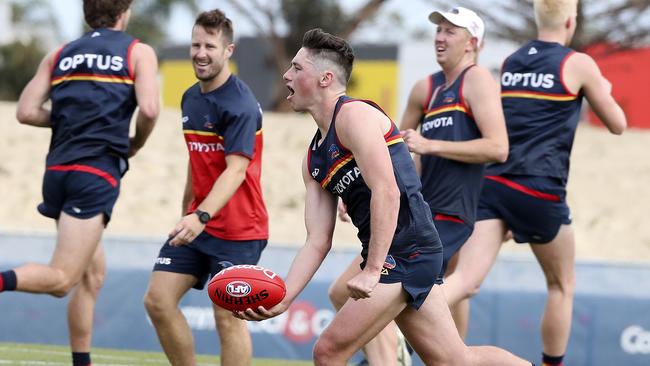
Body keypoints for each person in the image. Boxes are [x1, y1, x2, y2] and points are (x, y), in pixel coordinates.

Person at [236, 28, 531, 366]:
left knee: (327, 351)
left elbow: (387, 191)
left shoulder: (354, 116)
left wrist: (373, 269)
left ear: (325, 78)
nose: (286, 75)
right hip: (405, 254)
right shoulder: (313, 158)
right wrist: (285, 298)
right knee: (455, 360)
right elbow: (317, 239)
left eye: (297, 68)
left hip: (407, 251)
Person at [441, 1, 627, 365]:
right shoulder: (578, 63)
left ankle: (396, 325)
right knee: (561, 285)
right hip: (539, 189)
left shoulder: (512, 61)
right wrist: (599, 84)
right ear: (571, 21)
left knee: (464, 280)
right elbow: (617, 123)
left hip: (493, 184)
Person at [327, 7, 507, 363]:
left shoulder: (477, 80)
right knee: (455, 353)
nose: (439, 37)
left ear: (472, 43)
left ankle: (391, 358)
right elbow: (390, 147)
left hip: (449, 217)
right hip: (417, 215)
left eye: (450, 32)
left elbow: (498, 147)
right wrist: (360, 186)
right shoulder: (425, 88)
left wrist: (430, 144)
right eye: (438, 30)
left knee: (344, 293)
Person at [0, 1, 159, 365]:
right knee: (61, 280)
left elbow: (25, 111)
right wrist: (136, 142)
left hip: (57, 173)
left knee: (93, 274)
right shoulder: (138, 51)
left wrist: (71, 119)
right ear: (125, 12)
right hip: (94, 174)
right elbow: (149, 109)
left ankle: (81, 361)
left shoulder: (61, 53)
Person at [142, 9, 268, 366]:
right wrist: (188, 210)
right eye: (196, 44)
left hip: (240, 229)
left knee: (227, 316)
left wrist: (200, 214)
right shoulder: (190, 98)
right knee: (157, 301)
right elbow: (196, 160)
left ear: (228, 50)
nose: (200, 52)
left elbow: (236, 170)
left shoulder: (240, 103)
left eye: (210, 46)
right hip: (198, 222)